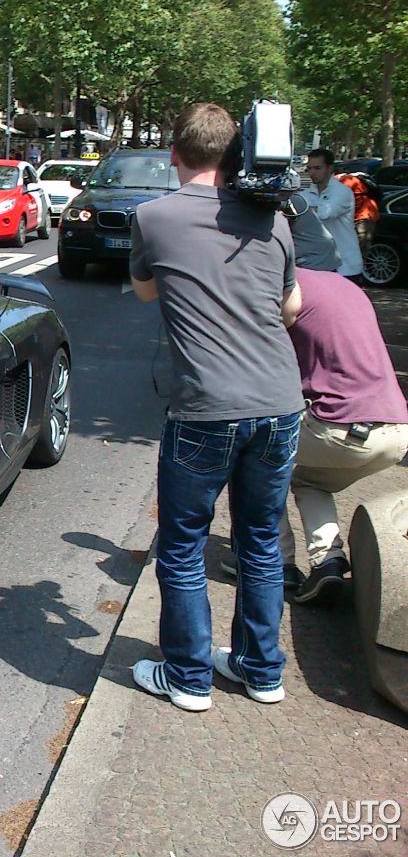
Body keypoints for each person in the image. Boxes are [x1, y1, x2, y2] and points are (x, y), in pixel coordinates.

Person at [128, 102, 304, 712]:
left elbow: (147, 290)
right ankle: (261, 672)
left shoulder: (153, 218)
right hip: (281, 403)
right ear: (234, 156)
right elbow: (291, 309)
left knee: (182, 546)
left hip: (206, 408)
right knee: (259, 540)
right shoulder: (274, 219)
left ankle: (188, 677)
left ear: (173, 154)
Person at [278, 268, 408, 603]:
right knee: (310, 481)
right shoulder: (340, 285)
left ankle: (276, 563)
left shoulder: (280, 291)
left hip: (339, 428)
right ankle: (327, 561)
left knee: (250, 453)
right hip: (396, 428)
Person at [303, 148, 363, 280]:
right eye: (309, 168)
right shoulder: (306, 194)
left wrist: (300, 209)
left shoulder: (342, 192)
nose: (312, 172)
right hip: (319, 265)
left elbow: (325, 213)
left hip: (346, 266)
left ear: (330, 168)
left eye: (317, 168)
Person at [336, 171, 381, 257]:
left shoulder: (345, 181)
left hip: (362, 217)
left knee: (355, 250)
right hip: (370, 214)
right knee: (362, 248)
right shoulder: (354, 178)